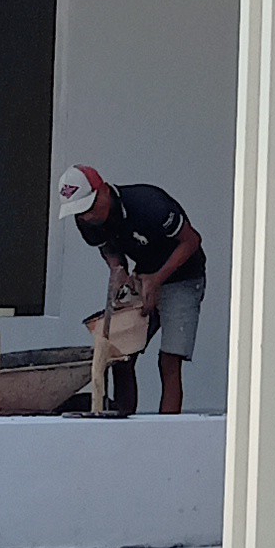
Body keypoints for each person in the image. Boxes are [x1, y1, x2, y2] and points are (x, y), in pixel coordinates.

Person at [56, 162, 205, 417]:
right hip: (144, 275)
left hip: (184, 277)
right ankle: (123, 423)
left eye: (89, 207)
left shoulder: (149, 204)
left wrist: (157, 280)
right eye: (79, 212)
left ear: (104, 191)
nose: (87, 217)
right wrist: (118, 271)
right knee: (120, 354)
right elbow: (108, 249)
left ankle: (167, 429)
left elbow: (191, 241)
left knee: (169, 360)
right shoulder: (86, 222)